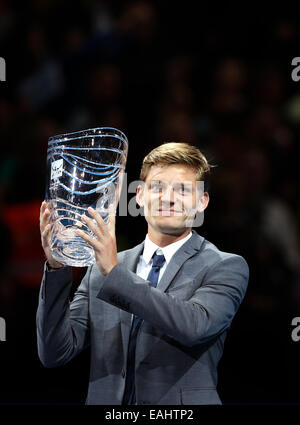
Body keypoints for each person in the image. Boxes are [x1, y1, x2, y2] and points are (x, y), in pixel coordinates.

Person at [37, 142, 249, 405]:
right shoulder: (102, 268)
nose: (168, 198)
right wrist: (57, 267)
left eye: (183, 190)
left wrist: (114, 273)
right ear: (139, 195)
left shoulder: (226, 266)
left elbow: (194, 327)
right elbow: (55, 352)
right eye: (158, 187)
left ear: (202, 201)